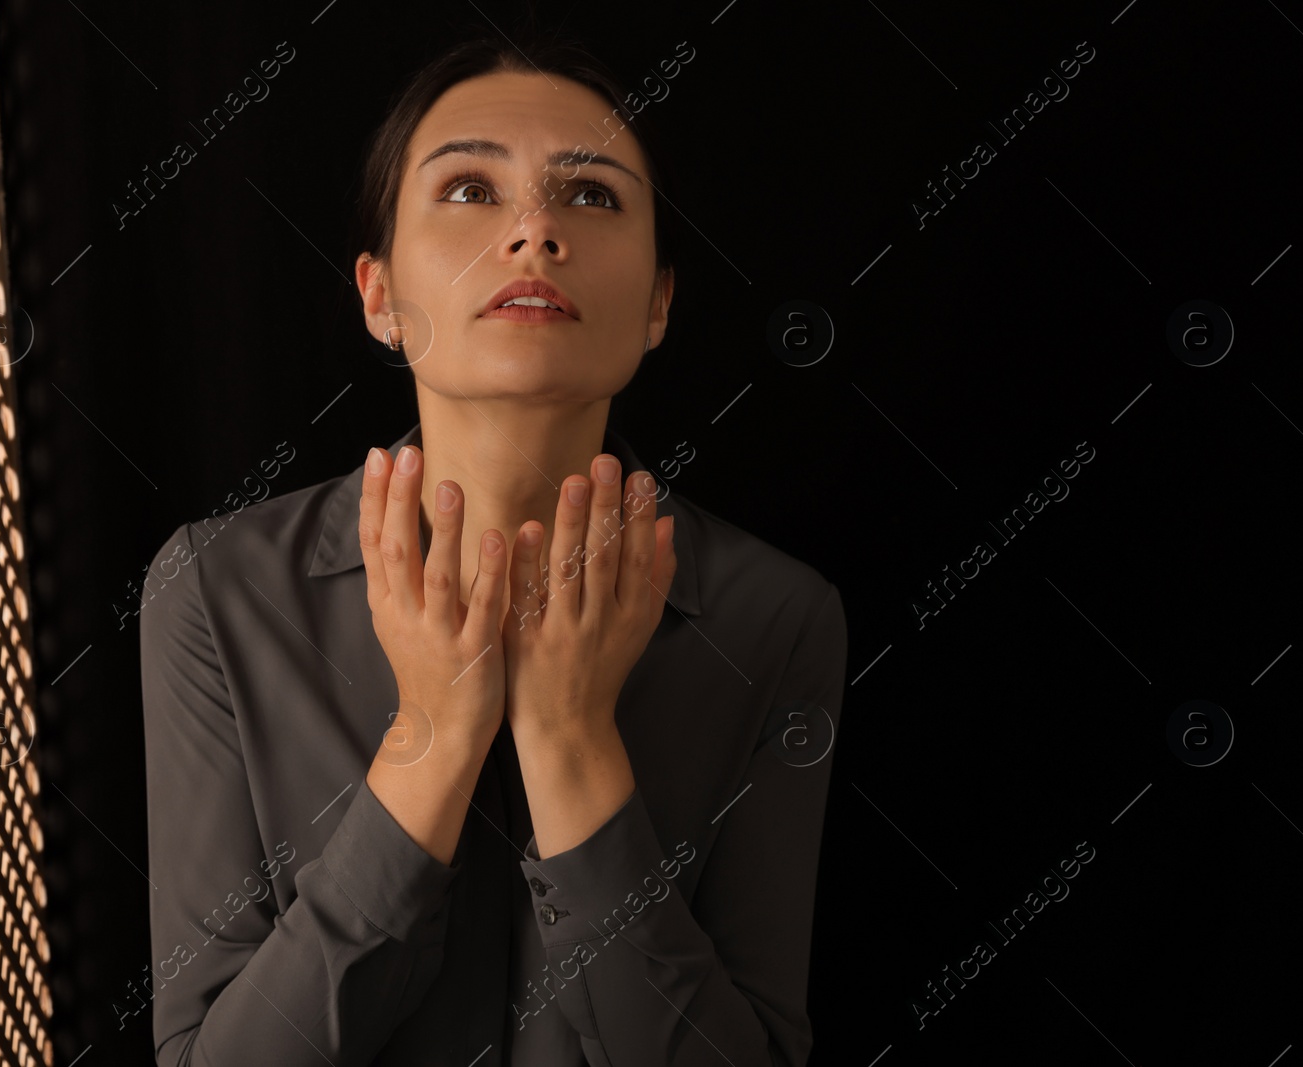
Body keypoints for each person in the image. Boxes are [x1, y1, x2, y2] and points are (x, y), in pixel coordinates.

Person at [140, 28, 847, 1067]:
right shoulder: (216, 592)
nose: (532, 231)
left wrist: (570, 738)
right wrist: (428, 734)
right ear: (378, 294)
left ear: (657, 305)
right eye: (469, 189)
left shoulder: (774, 617)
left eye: (591, 195)